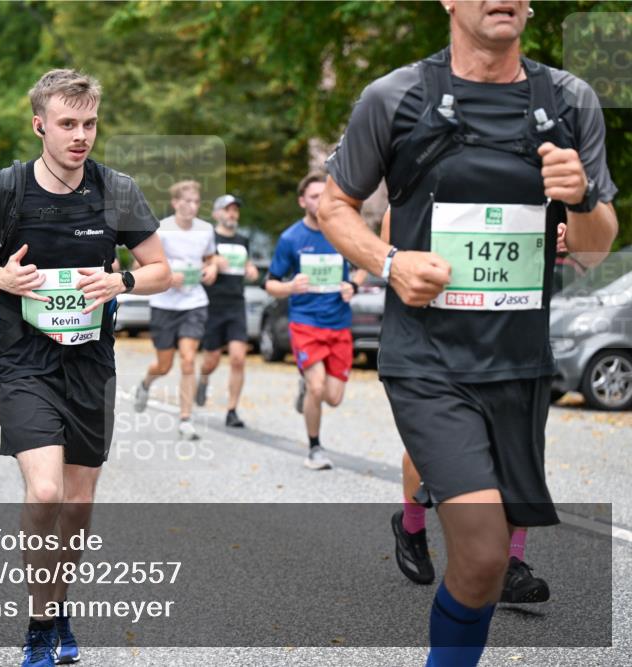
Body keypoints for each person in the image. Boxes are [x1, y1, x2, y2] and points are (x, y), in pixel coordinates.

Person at [319, 1, 618, 663]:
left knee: (484, 570)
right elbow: (333, 205)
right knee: (484, 549)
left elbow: (595, 249)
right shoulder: (394, 96)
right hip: (427, 358)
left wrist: (584, 200)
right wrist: (390, 262)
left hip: (520, 364)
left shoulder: (570, 100)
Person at [0, 69, 169, 667]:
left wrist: (120, 278)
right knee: (44, 490)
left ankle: (57, 602)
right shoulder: (2, 189)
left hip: (92, 361)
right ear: (39, 124)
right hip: (25, 356)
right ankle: (40, 624)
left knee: (76, 504)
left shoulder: (117, 190)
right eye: (68, 124)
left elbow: (161, 269)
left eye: (90, 123)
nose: (80, 136)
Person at [382, 209, 556, 602]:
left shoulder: (540, 175)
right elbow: (391, 237)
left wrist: (566, 235)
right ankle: (410, 525)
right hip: (438, 343)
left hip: (514, 344)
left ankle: (511, 564)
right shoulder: (432, 167)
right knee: (428, 453)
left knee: (516, 456)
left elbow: (584, 242)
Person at [265, 172, 365, 470]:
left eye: (324, 194)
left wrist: (354, 286)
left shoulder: (343, 232)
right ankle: (314, 449)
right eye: (313, 195)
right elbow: (270, 283)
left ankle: (305, 389)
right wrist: (290, 287)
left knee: (333, 398)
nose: (319, 200)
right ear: (301, 201)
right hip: (305, 323)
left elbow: (363, 267)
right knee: (318, 386)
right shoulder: (291, 238)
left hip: (338, 324)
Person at [132, 180, 218, 440]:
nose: (192, 207)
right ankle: (146, 382)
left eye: (195, 202)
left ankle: (185, 419)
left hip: (194, 302)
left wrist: (212, 268)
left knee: (189, 360)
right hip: (164, 304)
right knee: (164, 365)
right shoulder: (162, 231)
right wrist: (168, 278)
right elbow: (142, 267)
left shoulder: (206, 230)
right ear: (175, 203)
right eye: (187, 201)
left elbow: (210, 258)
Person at [195, 194, 259, 427]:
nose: (232, 214)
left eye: (235, 210)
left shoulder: (243, 240)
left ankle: (232, 410)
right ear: (216, 214)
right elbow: (196, 265)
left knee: (238, 358)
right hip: (212, 305)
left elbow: (246, 262)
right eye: (227, 210)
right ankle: (203, 378)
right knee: (211, 359)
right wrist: (210, 266)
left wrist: (251, 268)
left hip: (236, 305)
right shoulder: (208, 238)